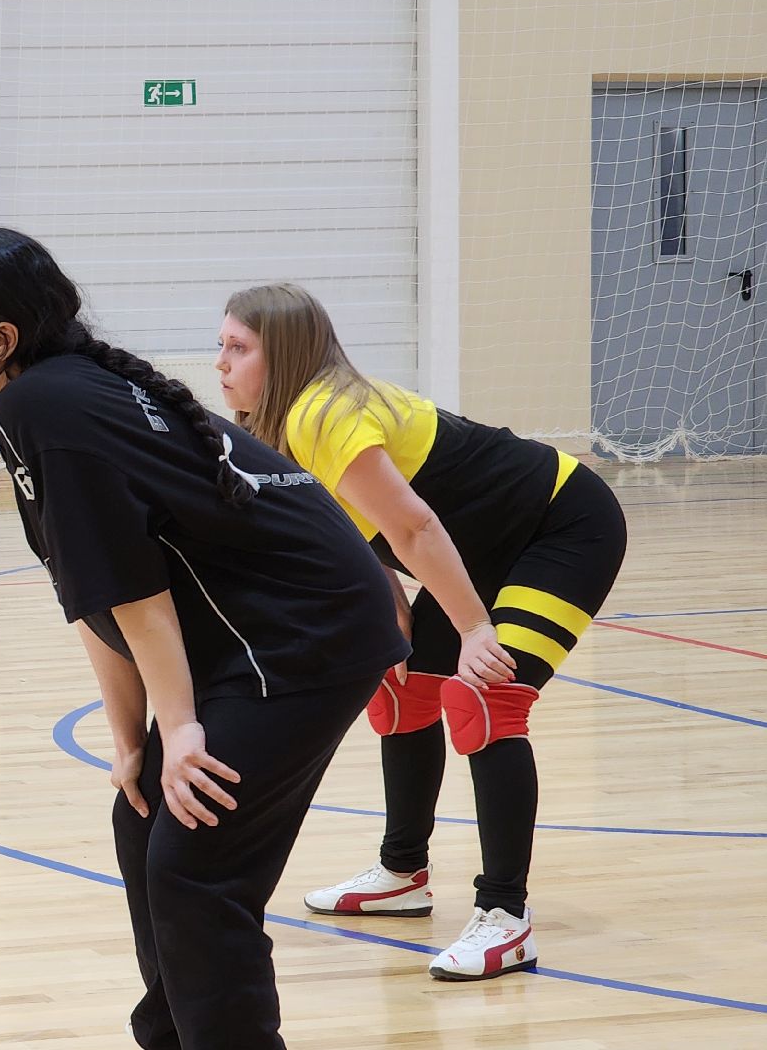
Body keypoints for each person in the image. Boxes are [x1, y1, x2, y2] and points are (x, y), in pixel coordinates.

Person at [0, 227, 408, 1048]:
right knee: (141, 820)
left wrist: (180, 731)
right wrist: (131, 737)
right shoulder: (41, 398)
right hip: (262, 626)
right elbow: (92, 593)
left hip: (302, 632)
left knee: (197, 867)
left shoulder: (45, 404)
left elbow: (139, 597)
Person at [216, 282, 628, 981]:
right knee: (400, 681)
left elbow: (414, 525)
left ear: (281, 356)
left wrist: (472, 628)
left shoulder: (322, 413)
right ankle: (402, 873)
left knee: (486, 698)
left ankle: (505, 918)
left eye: (238, 348)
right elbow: (349, 525)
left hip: (563, 526)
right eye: (220, 345)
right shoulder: (278, 426)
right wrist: (389, 602)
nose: (221, 363)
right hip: (478, 548)